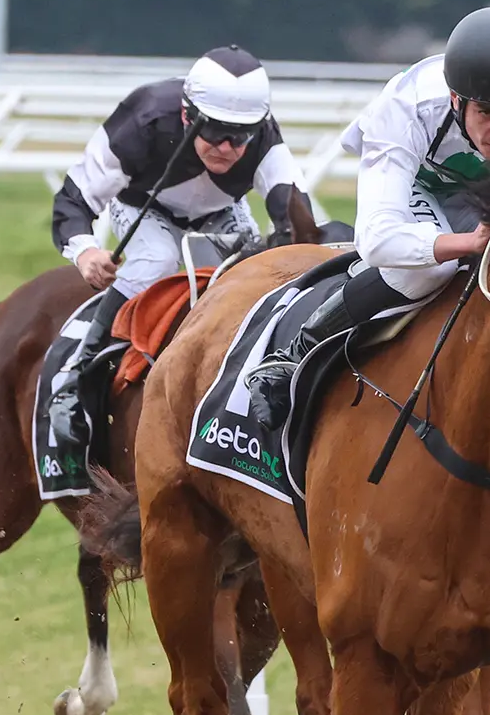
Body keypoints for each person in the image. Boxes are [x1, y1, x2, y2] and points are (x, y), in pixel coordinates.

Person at [244, 7, 490, 428]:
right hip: (425, 186)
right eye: (486, 113)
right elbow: (376, 240)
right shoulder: (406, 107)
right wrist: (464, 245)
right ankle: (297, 352)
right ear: (455, 100)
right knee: (426, 272)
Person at [45, 45, 319, 448]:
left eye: (240, 135)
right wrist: (86, 251)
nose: (226, 147)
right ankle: (74, 382)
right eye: (214, 131)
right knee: (158, 257)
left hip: (221, 212)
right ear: (188, 116)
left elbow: (294, 212)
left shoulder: (264, 137)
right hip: (142, 207)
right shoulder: (145, 118)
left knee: (258, 272)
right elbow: (73, 199)